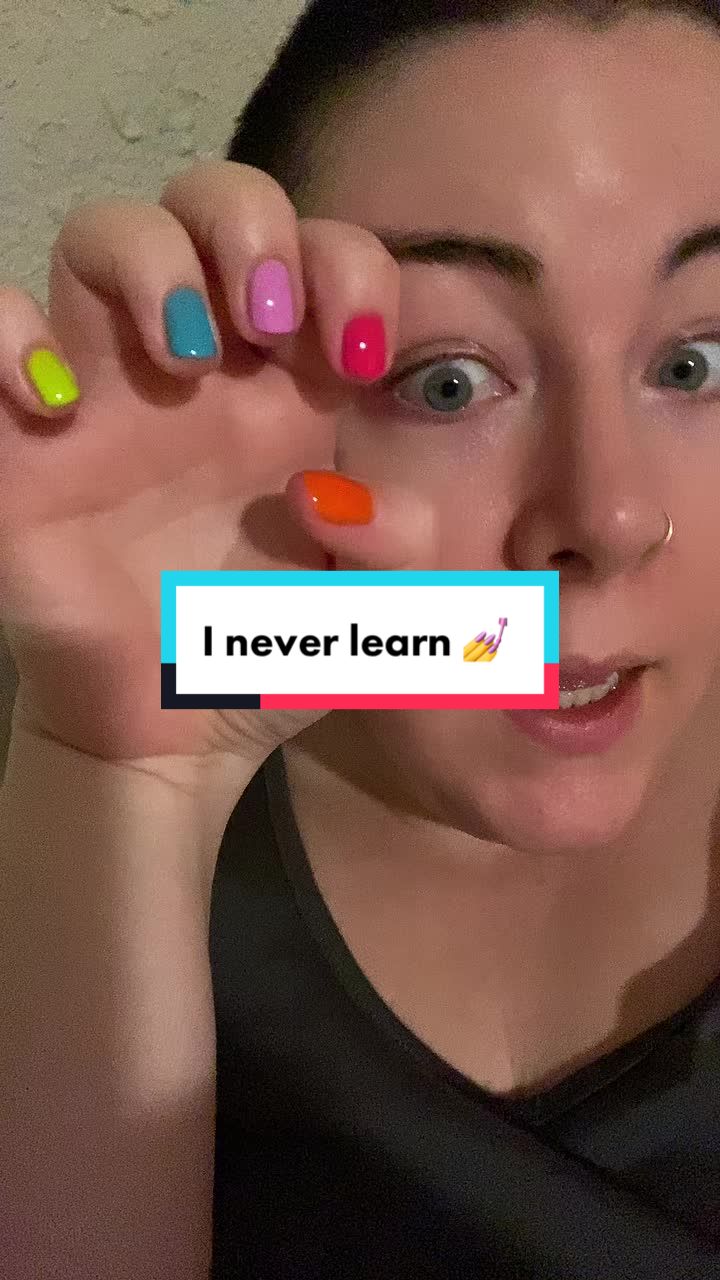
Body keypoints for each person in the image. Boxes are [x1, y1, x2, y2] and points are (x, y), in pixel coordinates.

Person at [2, 0, 720, 1274]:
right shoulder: (118, 719)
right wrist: (124, 770)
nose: (608, 518)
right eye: (447, 380)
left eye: (698, 364)